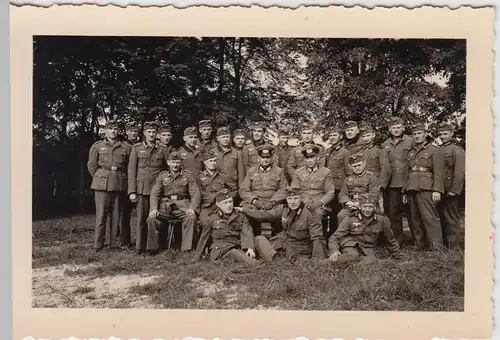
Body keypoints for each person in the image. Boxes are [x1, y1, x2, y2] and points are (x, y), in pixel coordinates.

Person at [237, 185, 326, 262]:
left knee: (269, 250)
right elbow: (264, 215)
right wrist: (244, 210)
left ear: (301, 198)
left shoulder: (310, 213)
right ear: (286, 200)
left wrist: (317, 259)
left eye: (295, 198)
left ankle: (275, 258)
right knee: (259, 239)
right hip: (284, 241)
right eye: (289, 199)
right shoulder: (284, 209)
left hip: (300, 247)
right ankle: (276, 257)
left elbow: (317, 237)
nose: (292, 202)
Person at [87, 120, 131, 251]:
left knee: (116, 214)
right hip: (102, 183)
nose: (113, 131)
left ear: (119, 131)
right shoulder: (97, 146)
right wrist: (101, 177)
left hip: (118, 182)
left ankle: (115, 243)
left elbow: (129, 167)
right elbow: (92, 166)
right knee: (101, 215)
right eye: (110, 128)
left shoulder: (125, 147)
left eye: (116, 129)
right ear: (105, 130)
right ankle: (98, 244)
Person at [146, 151, 201, 254]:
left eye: (178, 162)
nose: (175, 165)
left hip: (183, 206)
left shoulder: (188, 176)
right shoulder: (162, 176)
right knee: (152, 219)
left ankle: (187, 249)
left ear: (181, 163)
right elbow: (155, 194)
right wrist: (153, 209)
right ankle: (153, 249)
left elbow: (195, 193)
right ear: (168, 163)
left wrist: (192, 208)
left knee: (191, 218)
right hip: (166, 207)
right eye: (173, 162)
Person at [127, 121, 169, 254]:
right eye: (149, 132)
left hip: (157, 189)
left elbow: (166, 169)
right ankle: (140, 246)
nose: (151, 134)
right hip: (142, 189)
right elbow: (131, 170)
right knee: (141, 219)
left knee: (157, 218)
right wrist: (132, 191)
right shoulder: (137, 148)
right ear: (144, 133)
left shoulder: (162, 149)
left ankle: (155, 246)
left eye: (153, 132)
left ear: (157, 134)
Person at [325, 193, 403, 264]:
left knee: (373, 261)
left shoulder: (381, 219)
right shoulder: (350, 218)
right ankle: (325, 263)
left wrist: (399, 258)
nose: (367, 210)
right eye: (365, 206)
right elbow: (335, 237)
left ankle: (355, 263)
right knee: (352, 256)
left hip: (368, 249)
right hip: (351, 246)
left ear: (374, 207)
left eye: (370, 207)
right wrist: (334, 251)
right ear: (360, 206)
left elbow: (390, 240)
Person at [403, 123, 445, 250]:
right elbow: (407, 172)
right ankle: (419, 245)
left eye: (419, 133)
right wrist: (404, 191)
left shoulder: (434, 150)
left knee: (430, 217)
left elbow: (439, 172)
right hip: (411, 187)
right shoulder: (411, 152)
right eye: (415, 134)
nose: (417, 136)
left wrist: (437, 190)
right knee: (414, 218)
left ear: (425, 134)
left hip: (427, 187)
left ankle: (436, 247)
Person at [194, 189, 259, 264]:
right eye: (225, 203)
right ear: (218, 204)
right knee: (235, 253)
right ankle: (257, 264)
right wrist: (197, 257)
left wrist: (250, 248)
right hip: (221, 250)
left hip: (236, 247)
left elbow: (246, 231)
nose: (229, 205)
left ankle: (265, 259)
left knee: (254, 242)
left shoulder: (240, 216)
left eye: (230, 202)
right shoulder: (212, 219)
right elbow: (204, 238)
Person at [239, 144, 288, 237]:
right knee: (245, 212)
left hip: (273, 205)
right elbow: (243, 189)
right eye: (263, 157)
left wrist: (273, 202)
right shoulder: (252, 171)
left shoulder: (279, 171)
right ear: (258, 157)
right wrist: (254, 201)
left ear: (271, 158)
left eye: (268, 157)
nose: (265, 160)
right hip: (255, 204)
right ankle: (250, 244)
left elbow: (284, 190)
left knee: (282, 212)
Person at [380, 117, 414, 245]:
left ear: (403, 128)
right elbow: (384, 166)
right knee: (394, 214)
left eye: (398, 127)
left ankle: (417, 241)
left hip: (409, 182)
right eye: (393, 128)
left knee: (412, 213)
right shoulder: (385, 144)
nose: (396, 130)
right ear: (389, 129)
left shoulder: (411, 141)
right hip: (392, 184)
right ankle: (398, 241)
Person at [437, 122, 465, 249]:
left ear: (451, 134)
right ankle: (444, 244)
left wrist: (455, 189)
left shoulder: (457, 150)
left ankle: (454, 247)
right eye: (441, 134)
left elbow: (460, 172)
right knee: (441, 216)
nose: (442, 136)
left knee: (451, 218)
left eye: (445, 134)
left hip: (450, 189)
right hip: (440, 189)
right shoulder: (439, 149)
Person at [290, 145, 335, 219]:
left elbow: (330, 193)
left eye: (312, 157)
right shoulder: (298, 172)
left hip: (319, 205)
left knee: (317, 214)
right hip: (303, 203)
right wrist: (301, 203)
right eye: (307, 158)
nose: (309, 160)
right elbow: (295, 191)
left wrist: (319, 203)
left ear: (317, 157)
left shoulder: (326, 172)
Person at [337, 153, 379, 225]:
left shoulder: (371, 177)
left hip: (367, 205)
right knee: (341, 215)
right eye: (354, 166)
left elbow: (374, 195)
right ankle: (344, 235)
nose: (357, 168)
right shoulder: (348, 179)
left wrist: (360, 203)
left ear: (364, 164)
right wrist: (348, 202)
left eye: (359, 165)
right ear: (350, 167)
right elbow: (342, 194)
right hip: (351, 205)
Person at [359, 124, 391, 211]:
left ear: (373, 135)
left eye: (368, 135)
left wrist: (380, 185)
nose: (366, 138)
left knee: (378, 209)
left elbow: (385, 169)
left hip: (376, 185)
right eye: (364, 136)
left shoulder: (379, 150)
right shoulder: (361, 152)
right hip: (363, 185)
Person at [325, 125, 349, 236]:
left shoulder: (345, 152)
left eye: (335, 135)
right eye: (330, 135)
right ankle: (327, 235)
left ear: (340, 136)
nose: (332, 137)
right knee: (326, 212)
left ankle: (336, 236)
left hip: (339, 188)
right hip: (329, 188)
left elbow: (348, 172)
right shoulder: (328, 151)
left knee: (337, 214)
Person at [120, 121, 140, 248]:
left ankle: (141, 240)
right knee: (124, 214)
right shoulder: (123, 146)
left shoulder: (140, 145)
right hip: (125, 182)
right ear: (126, 132)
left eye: (135, 131)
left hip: (140, 182)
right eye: (131, 131)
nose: (133, 133)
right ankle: (125, 241)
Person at [209, 127, 245, 192]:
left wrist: (241, 188)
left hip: (233, 186)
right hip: (217, 186)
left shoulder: (236, 152)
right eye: (223, 137)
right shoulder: (212, 151)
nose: (225, 139)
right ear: (218, 139)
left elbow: (241, 172)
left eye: (227, 137)